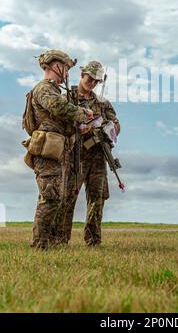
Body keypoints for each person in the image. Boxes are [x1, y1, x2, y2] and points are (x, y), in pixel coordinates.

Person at [24, 50, 93, 250]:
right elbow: (58, 108)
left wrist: (79, 126)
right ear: (57, 66)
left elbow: (60, 118)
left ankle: (50, 243)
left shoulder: (53, 90)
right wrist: (83, 113)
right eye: (66, 68)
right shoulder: (44, 89)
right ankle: (39, 246)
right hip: (47, 151)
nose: (67, 72)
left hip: (57, 150)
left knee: (58, 197)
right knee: (51, 197)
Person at [60, 61, 120, 246]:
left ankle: (93, 241)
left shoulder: (103, 103)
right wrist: (79, 127)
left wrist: (110, 128)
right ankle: (61, 240)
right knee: (68, 198)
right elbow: (59, 123)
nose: (92, 83)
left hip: (98, 157)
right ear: (82, 74)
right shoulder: (67, 98)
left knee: (98, 199)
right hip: (75, 155)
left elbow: (117, 124)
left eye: (96, 81)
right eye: (90, 78)